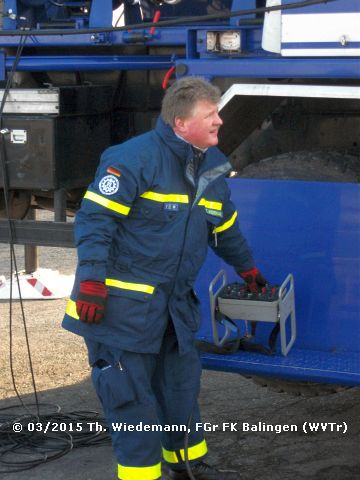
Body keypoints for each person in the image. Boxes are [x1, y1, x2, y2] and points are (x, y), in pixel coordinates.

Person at [62, 76, 267, 480]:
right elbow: (95, 221)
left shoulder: (210, 166)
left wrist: (247, 268)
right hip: (120, 310)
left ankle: (187, 465)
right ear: (179, 122)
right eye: (210, 115)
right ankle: (141, 475)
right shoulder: (133, 159)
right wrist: (90, 281)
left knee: (180, 390)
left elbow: (224, 227)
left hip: (173, 309)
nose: (219, 123)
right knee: (131, 399)